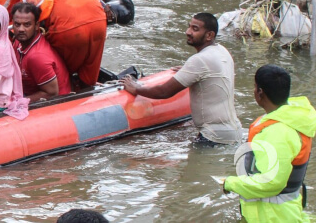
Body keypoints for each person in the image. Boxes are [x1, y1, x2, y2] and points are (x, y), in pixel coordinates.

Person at [122, 13, 242, 145]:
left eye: (195, 29)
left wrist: (137, 88)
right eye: (189, 27)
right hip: (234, 131)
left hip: (213, 136)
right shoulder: (222, 51)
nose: (188, 32)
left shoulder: (199, 60)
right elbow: (209, 73)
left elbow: (164, 92)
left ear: (209, 35)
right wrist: (188, 71)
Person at [222, 64, 315, 222]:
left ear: (260, 92)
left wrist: (230, 183)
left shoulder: (277, 132)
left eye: (254, 86)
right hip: (283, 211)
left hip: (273, 216)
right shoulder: (293, 118)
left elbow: (271, 183)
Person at [18, 0, 107, 88]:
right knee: (89, 73)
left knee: (63, 72)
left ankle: (66, 91)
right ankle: (88, 89)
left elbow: (28, 17)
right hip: (99, 21)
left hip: (66, 27)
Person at [11, 3, 71, 101]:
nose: (21, 29)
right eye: (17, 24)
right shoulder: (18, 42)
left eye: (27, 24)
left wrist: (17, 102)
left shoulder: (37, 57)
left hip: (58, 104)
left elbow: (51, 93)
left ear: (36, 26)